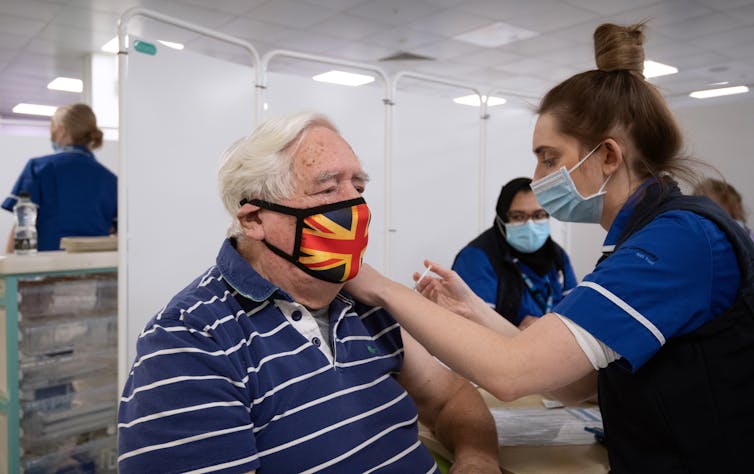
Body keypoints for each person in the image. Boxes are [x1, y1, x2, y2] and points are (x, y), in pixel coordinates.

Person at [344, 22, 754, 473]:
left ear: (608, 157)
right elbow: (577, 384)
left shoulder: (677, 242)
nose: (539, 180)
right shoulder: (643, 237)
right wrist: (474, 311)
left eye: (549, 158)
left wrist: (380, 286)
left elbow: (511, 373)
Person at [117, 112, 500, 473]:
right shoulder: (191, 340)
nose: (357, 206)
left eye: (359, 186)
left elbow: (450, 397)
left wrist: (477, 458)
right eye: (329, 188)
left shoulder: (364, 301)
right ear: (254, 219)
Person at [452, 177, 577, 329]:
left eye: (538, 215)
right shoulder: (475, 259)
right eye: (518, 217)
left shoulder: (557, 256)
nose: (530, 224)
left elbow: (575, 317)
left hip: (554, 348)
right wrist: (517, 333)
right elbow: (472, 329)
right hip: (498, 351)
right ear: (502, 219)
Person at [2, 103, 117, 252]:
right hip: (95, 270)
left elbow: (22, 223)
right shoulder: (111, 181)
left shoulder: (39, 168)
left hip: (47, 268)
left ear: (61, 130)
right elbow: (116, 234)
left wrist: (7, 270)